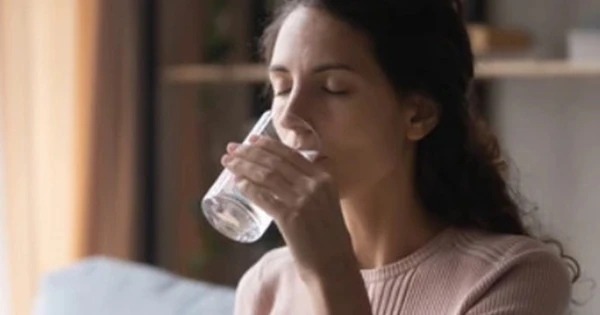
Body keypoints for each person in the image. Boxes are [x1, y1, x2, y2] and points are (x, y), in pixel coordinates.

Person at [221, 0, 575, 314]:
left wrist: (330, 273)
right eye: (282, 88)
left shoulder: (512, 279)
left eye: (333, 89)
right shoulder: (266, 285)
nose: (288, 115)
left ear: (417, 115)